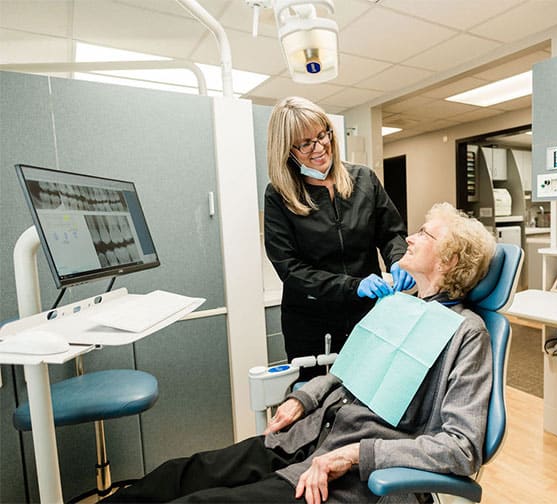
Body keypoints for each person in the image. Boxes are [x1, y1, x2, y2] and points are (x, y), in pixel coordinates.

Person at [103, 202, 497, 504]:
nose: (409, 238)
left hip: (343, 478)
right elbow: (346, 371)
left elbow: (461, 449)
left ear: (450, 260)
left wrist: (356, 455)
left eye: (424, 234)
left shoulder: (467, 334)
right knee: (175, 476)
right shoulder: (400, 305)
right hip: (303, 438)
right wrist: (303, 398)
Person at [264, 96, 414, 380]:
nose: (320, 148)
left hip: (368, 316)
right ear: (287, 150)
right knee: (320, 405)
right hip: (312, 324)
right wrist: (352, 286)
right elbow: (291, 270)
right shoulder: (279, 196)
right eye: (306, 143)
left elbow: (392, 232)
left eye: (322, 135)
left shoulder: (364, 179)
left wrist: (399, 260)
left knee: (368, 398)